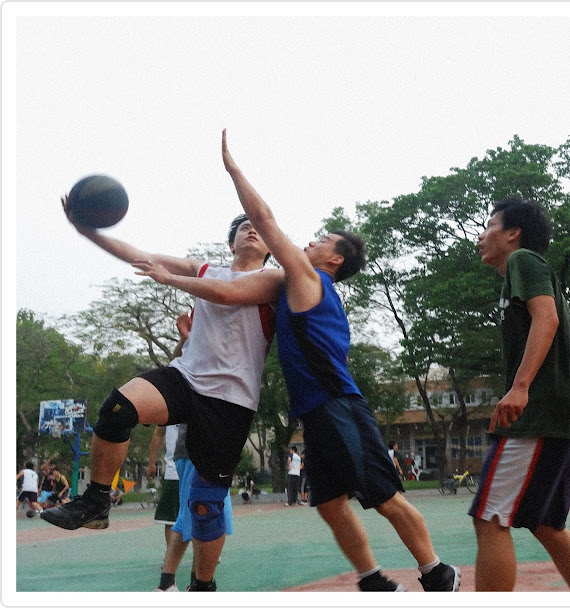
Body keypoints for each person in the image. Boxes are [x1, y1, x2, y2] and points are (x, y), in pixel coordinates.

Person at [136, 129, 461, 592]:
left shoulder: (311, 279)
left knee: (384, 496)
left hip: (337, 405)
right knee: (329, 503)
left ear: (335, 260)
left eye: (323, 239)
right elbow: (230, 291)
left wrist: (233, 169)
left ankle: (437, 572)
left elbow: (264, 219)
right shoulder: (300, 287)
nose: (311, 241)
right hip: (316, 412)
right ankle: (372, 579)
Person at [41, 200, 281, 593]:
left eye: (258, 225)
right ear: (231, 242)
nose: (252, 228)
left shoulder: (275, 279)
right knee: (117, 408)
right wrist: (88, 232)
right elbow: (142, 256)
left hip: (231, 401)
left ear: (270, 246)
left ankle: (203, 586)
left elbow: (226, 294)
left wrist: (169, 280)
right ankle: (96, 500)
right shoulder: (205, 269)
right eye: (243, 226)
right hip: (187, 378)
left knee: (205, 505)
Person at [471, 196, 570, 592]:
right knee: (547, 524)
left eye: (489, 226)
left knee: (490, 517)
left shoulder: (523, 261)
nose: (481, 236)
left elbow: (547, 317)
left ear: (514, 233)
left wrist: (520, 386)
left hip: (543, 413)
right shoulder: (520, 273)